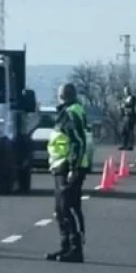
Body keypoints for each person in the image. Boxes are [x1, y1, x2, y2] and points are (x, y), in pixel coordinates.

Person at [46, 83, 89, 263]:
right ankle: (65, 246)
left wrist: (73, 167)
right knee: (60, 208)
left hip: (68, 166)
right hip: (60, 165)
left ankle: (75, 248)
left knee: (68, 206)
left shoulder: (71, 113)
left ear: (62, 96)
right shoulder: (67, 112)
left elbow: (78, 142)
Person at [119, 86, 136, 151]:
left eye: (127, 90)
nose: (126, 92)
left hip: (130, 117)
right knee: (123, 131)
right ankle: (124, 145)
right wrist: (121, 108)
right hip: (125, 116)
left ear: (129, 91)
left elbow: (132, 104)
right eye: (125, 91)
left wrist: (125, 105)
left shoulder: (132, 97)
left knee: (130, 131)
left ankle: (130, 146)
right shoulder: (124, 98)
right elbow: (122, 106)